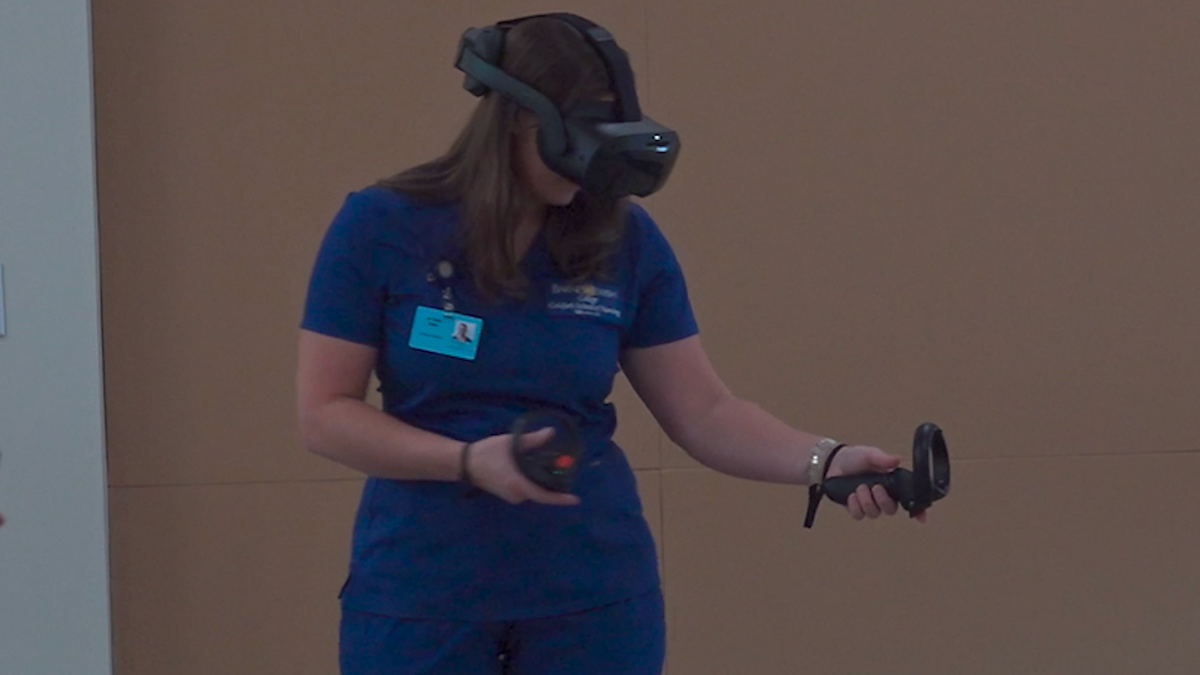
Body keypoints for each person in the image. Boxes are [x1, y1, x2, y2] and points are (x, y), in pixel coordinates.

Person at [296, 14, 923, 675]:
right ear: (515, 119)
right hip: (422, 597)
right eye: (578, 140)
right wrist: (468, 460)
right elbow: (326, 415)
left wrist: (827, 459)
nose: (593, 170)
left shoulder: (624, 240)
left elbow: (705, 412)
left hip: (592, 599)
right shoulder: (382, 227)